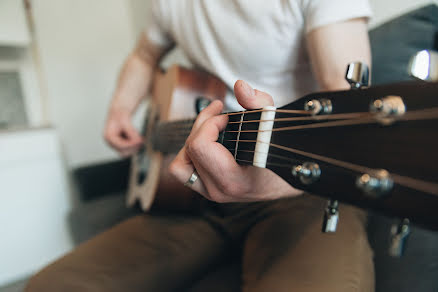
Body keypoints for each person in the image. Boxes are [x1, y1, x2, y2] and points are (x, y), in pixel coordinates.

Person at [26, 0, 374, 291]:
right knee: (50, 286)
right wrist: (120, 108)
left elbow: (350, 112)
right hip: (191, 194)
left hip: (302, 188)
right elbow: (145, 55)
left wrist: (288, 177)